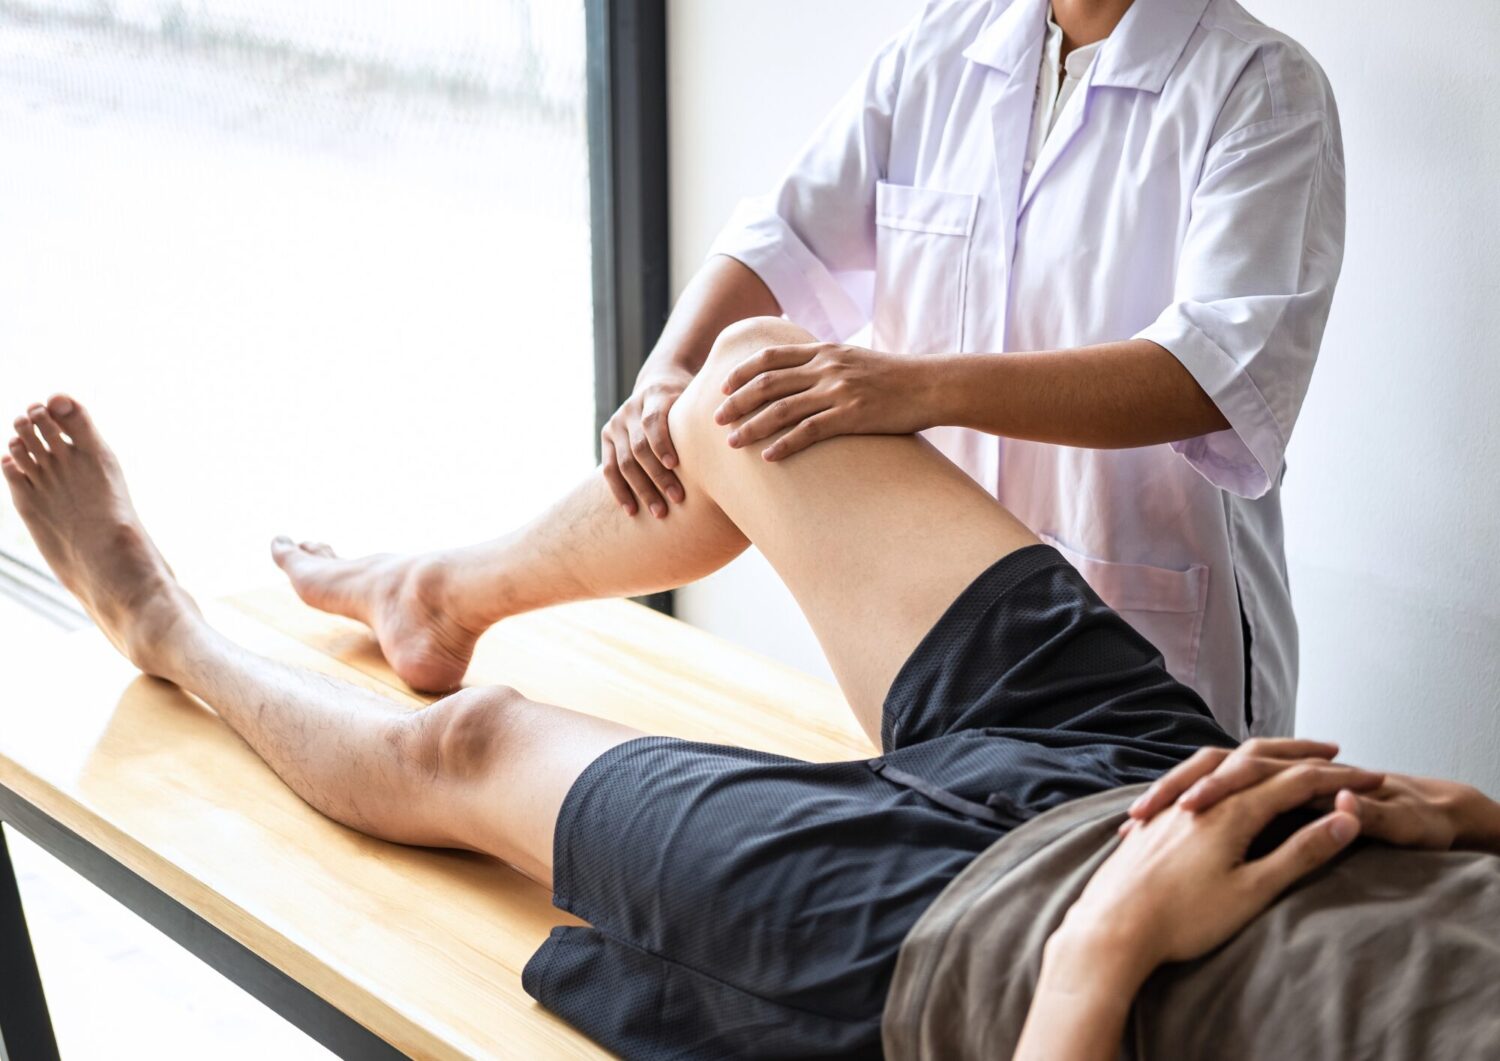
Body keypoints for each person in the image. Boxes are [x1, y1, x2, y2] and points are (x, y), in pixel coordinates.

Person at [4, 319, 1495, 1058]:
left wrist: (1109, 941)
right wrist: (1465, 815)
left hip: (959, 938)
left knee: (473, 747)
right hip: (1157, 771)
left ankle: (164, 626)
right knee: (752, 388)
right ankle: (437, 588)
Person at [596, 0, 1347, 741]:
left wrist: (913, 388)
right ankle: (477, 594)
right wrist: (670, 368)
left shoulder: (1262, 88)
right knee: (741, 379)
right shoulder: (941, 45)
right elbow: (786, 236)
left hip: (1145, 649)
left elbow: (1206, 376)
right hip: (932, 633)